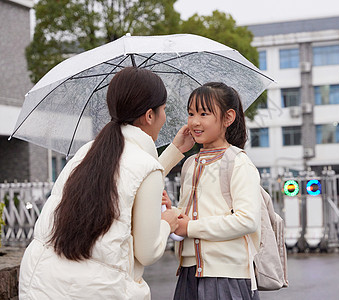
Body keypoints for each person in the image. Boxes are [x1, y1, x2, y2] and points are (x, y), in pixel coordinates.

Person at [19, 67, 195, 299]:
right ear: (149, 115)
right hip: (96, 290)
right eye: (163, 109)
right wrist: (167, 223)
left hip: (39, 284)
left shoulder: (88, 151)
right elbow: (148, 252)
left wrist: (173, 152)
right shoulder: (144, 166)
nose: (165, 117)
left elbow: (125, 180)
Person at [164, 82, 262, 300]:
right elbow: (188, 218)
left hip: (227, 276)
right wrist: (172, 211)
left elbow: (247, 220)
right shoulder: (190, 163)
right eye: (191, 113)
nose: (195, 122)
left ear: (228, 118)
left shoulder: (238, 162)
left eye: (204, 113)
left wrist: (190, 227)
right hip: (188, 273)